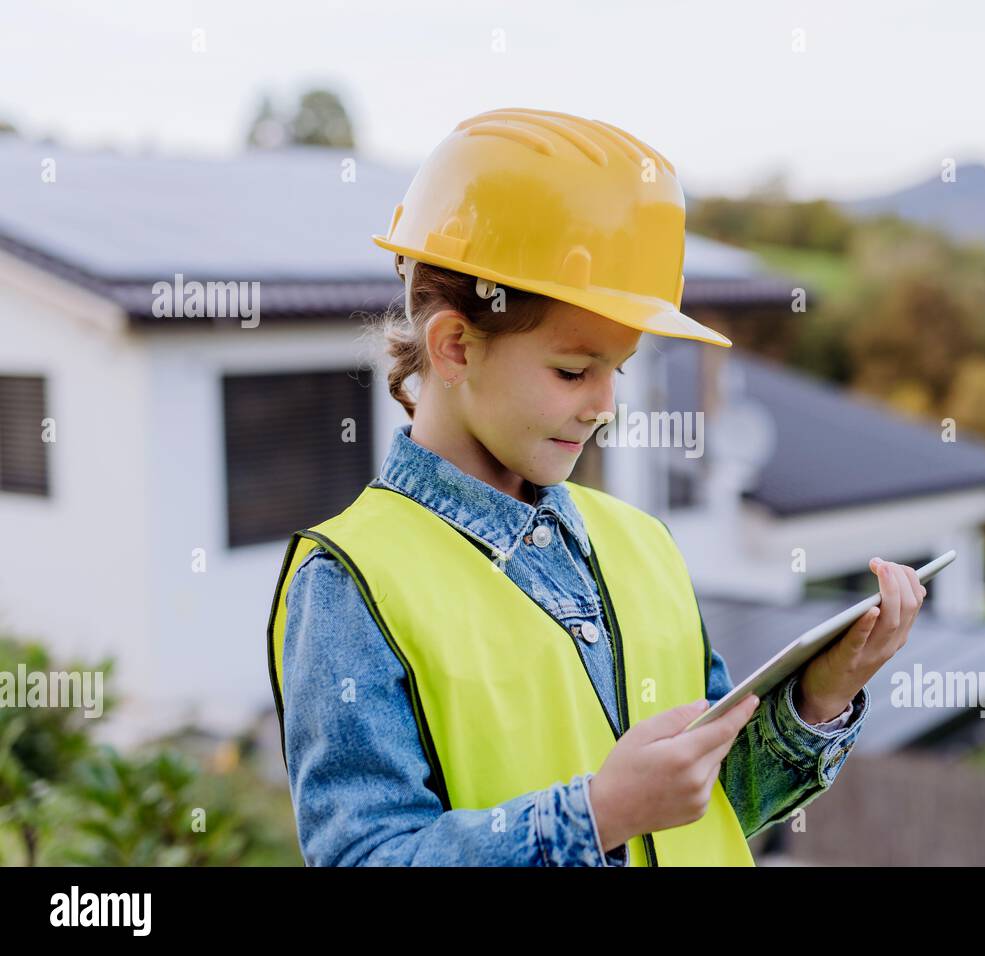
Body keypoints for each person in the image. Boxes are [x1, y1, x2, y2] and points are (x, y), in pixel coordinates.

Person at [265, 107, 925, 866]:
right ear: (454, 346)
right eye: (574, 371)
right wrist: (596, 814)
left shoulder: (642, 544)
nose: (605, 406)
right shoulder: (350, 583)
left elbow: (708, 809)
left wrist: (822, 698)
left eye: (619, 370)